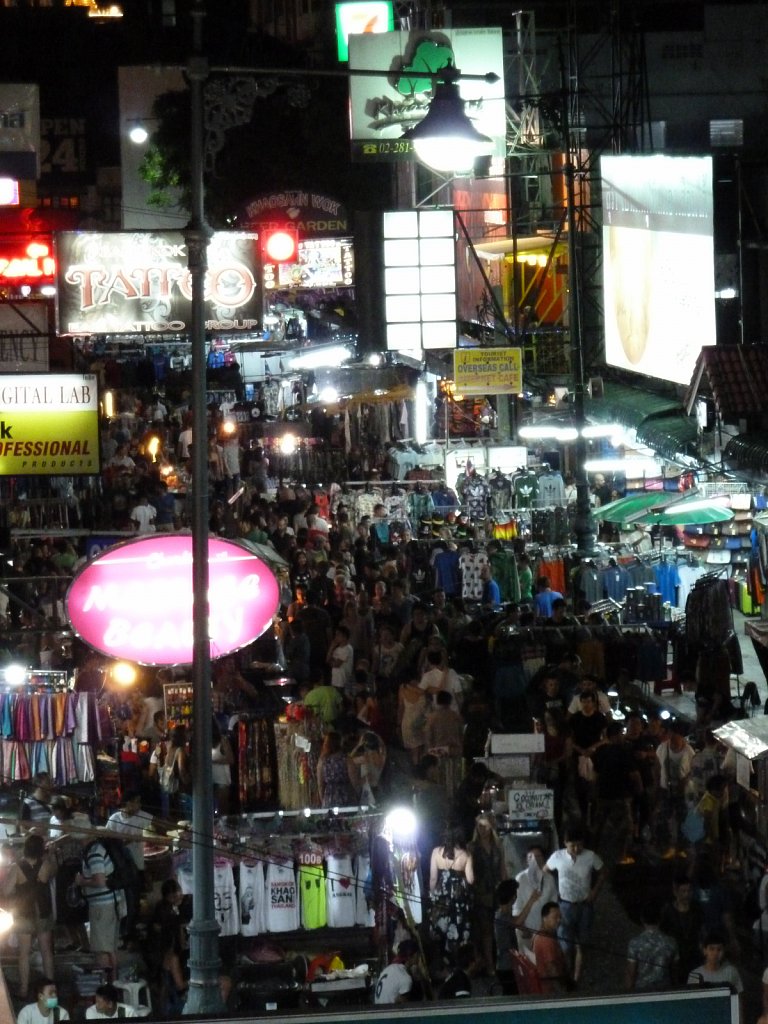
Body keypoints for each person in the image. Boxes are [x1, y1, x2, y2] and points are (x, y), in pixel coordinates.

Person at [544, 825, 604, 984]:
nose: (576, 848)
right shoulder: (557, 856)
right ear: (565, 843)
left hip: (585, 905)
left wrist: (594, 892)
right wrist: (554, 888)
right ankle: (567, 973)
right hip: (564, 905)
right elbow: (546, 870)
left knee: (581, 943)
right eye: (572, 846)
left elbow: (603, 872)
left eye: (579, 845)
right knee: (565, 943)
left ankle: (576, 978)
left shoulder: (591, 856)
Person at [2, 834, 56, 1000]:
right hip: (43, 911)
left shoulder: (17, 867)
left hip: (24, 913)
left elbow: (6, 891)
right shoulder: (46, 864)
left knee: (23, 953)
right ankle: (51, 989)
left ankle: (24, 989)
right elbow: (52, 873)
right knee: (46, 951)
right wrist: (51, 854)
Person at [591, 720, 642, 864]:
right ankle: (621, 857)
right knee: (625, 828)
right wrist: (639, 791)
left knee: (599, 827)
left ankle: (594, 854)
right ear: (616, 735)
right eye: (622, 733)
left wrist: (593, 794)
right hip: (621, 797)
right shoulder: (625, 752)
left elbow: (594, 776)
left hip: (603, 796)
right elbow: (635, 775)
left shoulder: (600, 752)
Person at [76, 830, 126, 979]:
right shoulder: (98, 848)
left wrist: (81, 882)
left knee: (101, 949)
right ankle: (113, 982)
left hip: (102, 906)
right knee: (110, 948)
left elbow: (100, 881)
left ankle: (106, 983)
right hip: (111, 901)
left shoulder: (94, 853)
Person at [467, 812, 507, 977]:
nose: (482, 829)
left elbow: (503, 868)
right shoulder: (473, 846)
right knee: (485, 930)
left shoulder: (498, 845)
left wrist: (507, 889)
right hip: (480, 892)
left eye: (485, 826)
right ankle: (489, 964)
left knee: (497, 928)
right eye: (479, 826)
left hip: (496, 890)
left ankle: (495, 961)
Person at [429, 826, 472, 966]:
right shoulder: (466, 854)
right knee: (456, 929)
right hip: (458, 899)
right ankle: (457, 963)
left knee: (440, 929)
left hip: (441, 898)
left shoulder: (436, 852)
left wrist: (432, 895)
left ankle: (441, 964)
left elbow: (433, 878)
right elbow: (471, 879)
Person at [494, 878, 541, 993]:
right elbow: (517, 921)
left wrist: (524, 929)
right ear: (513, 897)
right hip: (506, 965)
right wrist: (531, 900)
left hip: (506, 964)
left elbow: (515, 921)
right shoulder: (501, 916)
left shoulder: (502, 914)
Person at [513, 846, 559, 954]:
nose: (535, 860)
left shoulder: (549, 879)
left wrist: (549, 928)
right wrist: (523, 928)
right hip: (526, 932)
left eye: (538, 856)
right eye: (531, 857)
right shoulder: (520, 879)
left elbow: (553, 905)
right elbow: (516, 908)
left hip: (545, 933)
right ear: (527, 861)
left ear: (543, 859)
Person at [660, 875, 705, 983]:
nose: (686, 894)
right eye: (683, 891)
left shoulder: (696, 909)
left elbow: (702, 930)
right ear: (676, 892)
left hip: (694, 956)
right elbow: (663, 933)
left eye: (689, 891)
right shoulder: (668, 910)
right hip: (675, 957)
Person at [625, 903, 679, 991]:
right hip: (665, 990)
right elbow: (674, 972)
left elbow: (631, 973)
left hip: (642, 991)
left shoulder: (635, 943)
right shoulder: (671, 942)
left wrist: (627, 993)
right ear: (660, 918)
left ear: (642, 919)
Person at [687, 930, 743, 1000]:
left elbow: (738, 998)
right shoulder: (695, 975)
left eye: (719, 949)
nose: (715, 953)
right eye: (711, 949)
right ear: (705, 951)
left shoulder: (731, 972)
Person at [532, 901, 570, 995]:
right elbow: (552, 968)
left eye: (559, 917)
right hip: (550, 990)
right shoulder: (546, 940)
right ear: (544, 918)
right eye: (555, 917)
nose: (558, 920)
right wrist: (562, 990)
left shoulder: (538, 935)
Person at [317, 730, 356, 808]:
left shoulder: (322, 761)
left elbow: (320, 785)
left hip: (329, 796)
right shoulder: (347, 759)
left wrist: (323, 800)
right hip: (345, 795)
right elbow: (354, 781)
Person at [374, 938, 420, 1004]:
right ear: (412, 956)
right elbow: (404, 1007)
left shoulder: (388, 969)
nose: (419, 957)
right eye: (418, 954)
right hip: (388, 1013)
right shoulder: (405, 978)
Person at [398, 675, 428, 766]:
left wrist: (398, 724)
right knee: (422, 751)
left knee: (413, 753)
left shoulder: (403, 689)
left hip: (407, 723)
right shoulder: (422, 688)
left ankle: (415, 773)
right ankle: (420, 772)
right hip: (422, 723)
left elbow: (400, 708)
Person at [210, 719, 235, 816]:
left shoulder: (223, 741)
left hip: (222, 782)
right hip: (211, 782)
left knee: (222, 812)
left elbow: (231, 759)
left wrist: (213, 762)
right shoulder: (204, 742)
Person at [327, 623, 354, 696]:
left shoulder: (348, 648)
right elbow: (328, 660)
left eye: (338, 635)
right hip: (335, 680)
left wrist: (332, 662)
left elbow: (336, 664)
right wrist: (331, 647)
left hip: (343, 680)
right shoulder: (336, 649)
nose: (336, 637)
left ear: (344, 637)